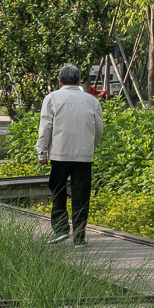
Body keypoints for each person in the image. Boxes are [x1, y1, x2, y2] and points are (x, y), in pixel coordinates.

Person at [36, 64, 103, 246]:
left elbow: (46, 127)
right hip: (84, 156)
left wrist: (42, 152)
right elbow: (98, 129)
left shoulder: (52, 98)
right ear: (79, 81)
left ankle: (61, 229)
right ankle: (79, 238)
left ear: (59, 81)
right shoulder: (92, 101)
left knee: (58, 191)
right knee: (81, 195)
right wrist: (91, 147)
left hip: (59, 154)